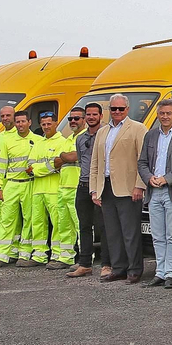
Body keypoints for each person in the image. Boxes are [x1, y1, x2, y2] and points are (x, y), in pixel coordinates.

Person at [89, 95, 148, 283]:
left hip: (128, 188)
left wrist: (140, 185)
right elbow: (95, 163)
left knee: (130, 233)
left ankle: (134, 269)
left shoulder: (138, 129)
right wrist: (94, 190)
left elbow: (143, 160)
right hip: (105, 187)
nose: (117, 112)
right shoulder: (102, 132)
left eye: (120, 109)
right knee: (112, 232)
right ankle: (118, 267)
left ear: (127, 109)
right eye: (113, 109)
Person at [137, 98, 172, 288]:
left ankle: (171, 273)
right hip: (154, 191)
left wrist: (166, 178)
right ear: (158, 114)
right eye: (162, 113)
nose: (165, 117)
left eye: (168, 113)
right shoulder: (151, 136)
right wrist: (149, 178)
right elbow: (142, 162)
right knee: (158, 235)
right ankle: (160, 272)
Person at [28, 111, 78, 269]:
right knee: (37, 223)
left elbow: (58, 163)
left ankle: (57, 254)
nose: (46, 127)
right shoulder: (38, 143)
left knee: (59, 224)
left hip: (55, 189)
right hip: (37, 190)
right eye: (43, 124)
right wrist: (43, 168)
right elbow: (29, 167)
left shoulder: (62, 142)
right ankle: (39, 254)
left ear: (56, 124)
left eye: (49, 123)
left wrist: (38, 170)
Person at [0, 111, 38, 268]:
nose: (20, 124)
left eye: (23, 121)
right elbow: (1, 165)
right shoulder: (7, 140)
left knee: (29, 220)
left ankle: (24, 254)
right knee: (6, 220)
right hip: (11, 183)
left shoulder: (38, 140)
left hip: (30, 184)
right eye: (18, 122)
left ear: (29, 122)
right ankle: (2, 255)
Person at [68, 103, 103, 278]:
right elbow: (82, 161)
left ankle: (107, 264)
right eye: (88, 114)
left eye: (94, 114)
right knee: (84, 226)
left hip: (101, 186)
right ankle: (85, 264)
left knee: (103, 226)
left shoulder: (105, 135)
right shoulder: (80, 138)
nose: (91, 117)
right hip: (83, 185)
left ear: (101, 116)